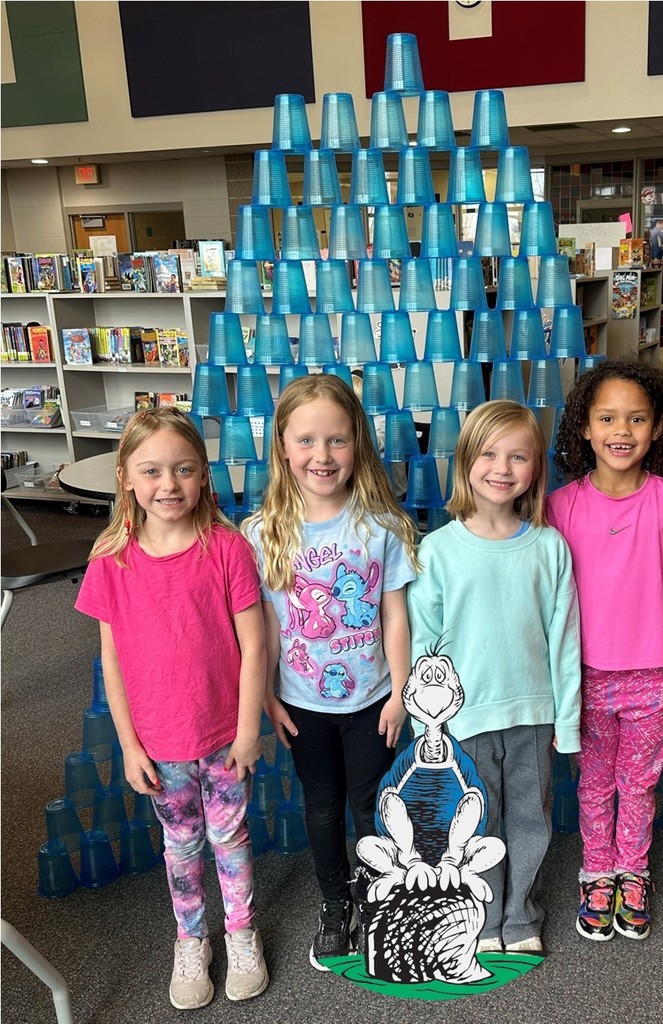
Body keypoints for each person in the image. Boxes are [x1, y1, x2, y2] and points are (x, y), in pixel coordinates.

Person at [75, 407, 269, 1011]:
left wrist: (246, 730)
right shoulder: (112, 558)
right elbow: (112, 661)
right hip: (159, 742)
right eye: (152, 470)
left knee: (229, 837)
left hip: (223, 735)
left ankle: (241, 933)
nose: (169, 485)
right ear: (126, 477)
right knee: (181, 845)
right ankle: (191, 938)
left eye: (184, 470)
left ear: (204, 475)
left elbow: (255, 642)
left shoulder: (227, 548)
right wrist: (130, 745)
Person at [244, 374, 420, 970]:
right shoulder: (265, 532)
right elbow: (265, 627)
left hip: (374, 701)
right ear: (283, 447)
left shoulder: (383, 527)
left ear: (357, 445)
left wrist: (401, 693)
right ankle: (333, 901)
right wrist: (267, 697)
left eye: (337, 441)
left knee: (371, 804)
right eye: (307, 441)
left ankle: (377, 896)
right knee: (321, 806)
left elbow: (396, 617)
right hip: (302, 705)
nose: (322, 456)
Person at [407, 400, 582, 954]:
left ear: (536, 469)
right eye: (488, 453)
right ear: (465, 461)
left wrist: (569, 723)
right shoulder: (436, 553)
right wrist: (426, 727)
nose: (502, 468)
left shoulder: (550, 548)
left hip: (533, 716)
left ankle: (521, 915)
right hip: (462, 722)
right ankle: (482, 919)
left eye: (518, 456)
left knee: (530, 820)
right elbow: (423, 649)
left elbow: (565, 639)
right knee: (475, 828)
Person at [546, 359, 663, 943]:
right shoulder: (560, 507)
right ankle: (597, 873)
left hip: (654, 676)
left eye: (636, 418)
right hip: (583, 676)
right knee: (593, 781)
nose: (622, 430)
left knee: (639, 782)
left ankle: (632, 871)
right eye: (607, 417)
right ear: (584, 428)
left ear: (657, 427)